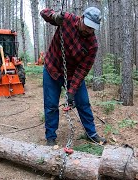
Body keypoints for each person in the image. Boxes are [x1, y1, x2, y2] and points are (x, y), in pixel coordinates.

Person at [40, 7, 106, 146]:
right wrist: (54, 16)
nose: (88, 30)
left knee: (83, 103)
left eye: (92, 28)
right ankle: (50, 137)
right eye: (87, 26)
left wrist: (71, 92)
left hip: (72, 75)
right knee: (51, 105)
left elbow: (82, 69)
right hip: (52, 68)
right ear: (81, 18)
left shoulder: (92, 45)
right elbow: (44, 13)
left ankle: (91, 134)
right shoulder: (67, 19)